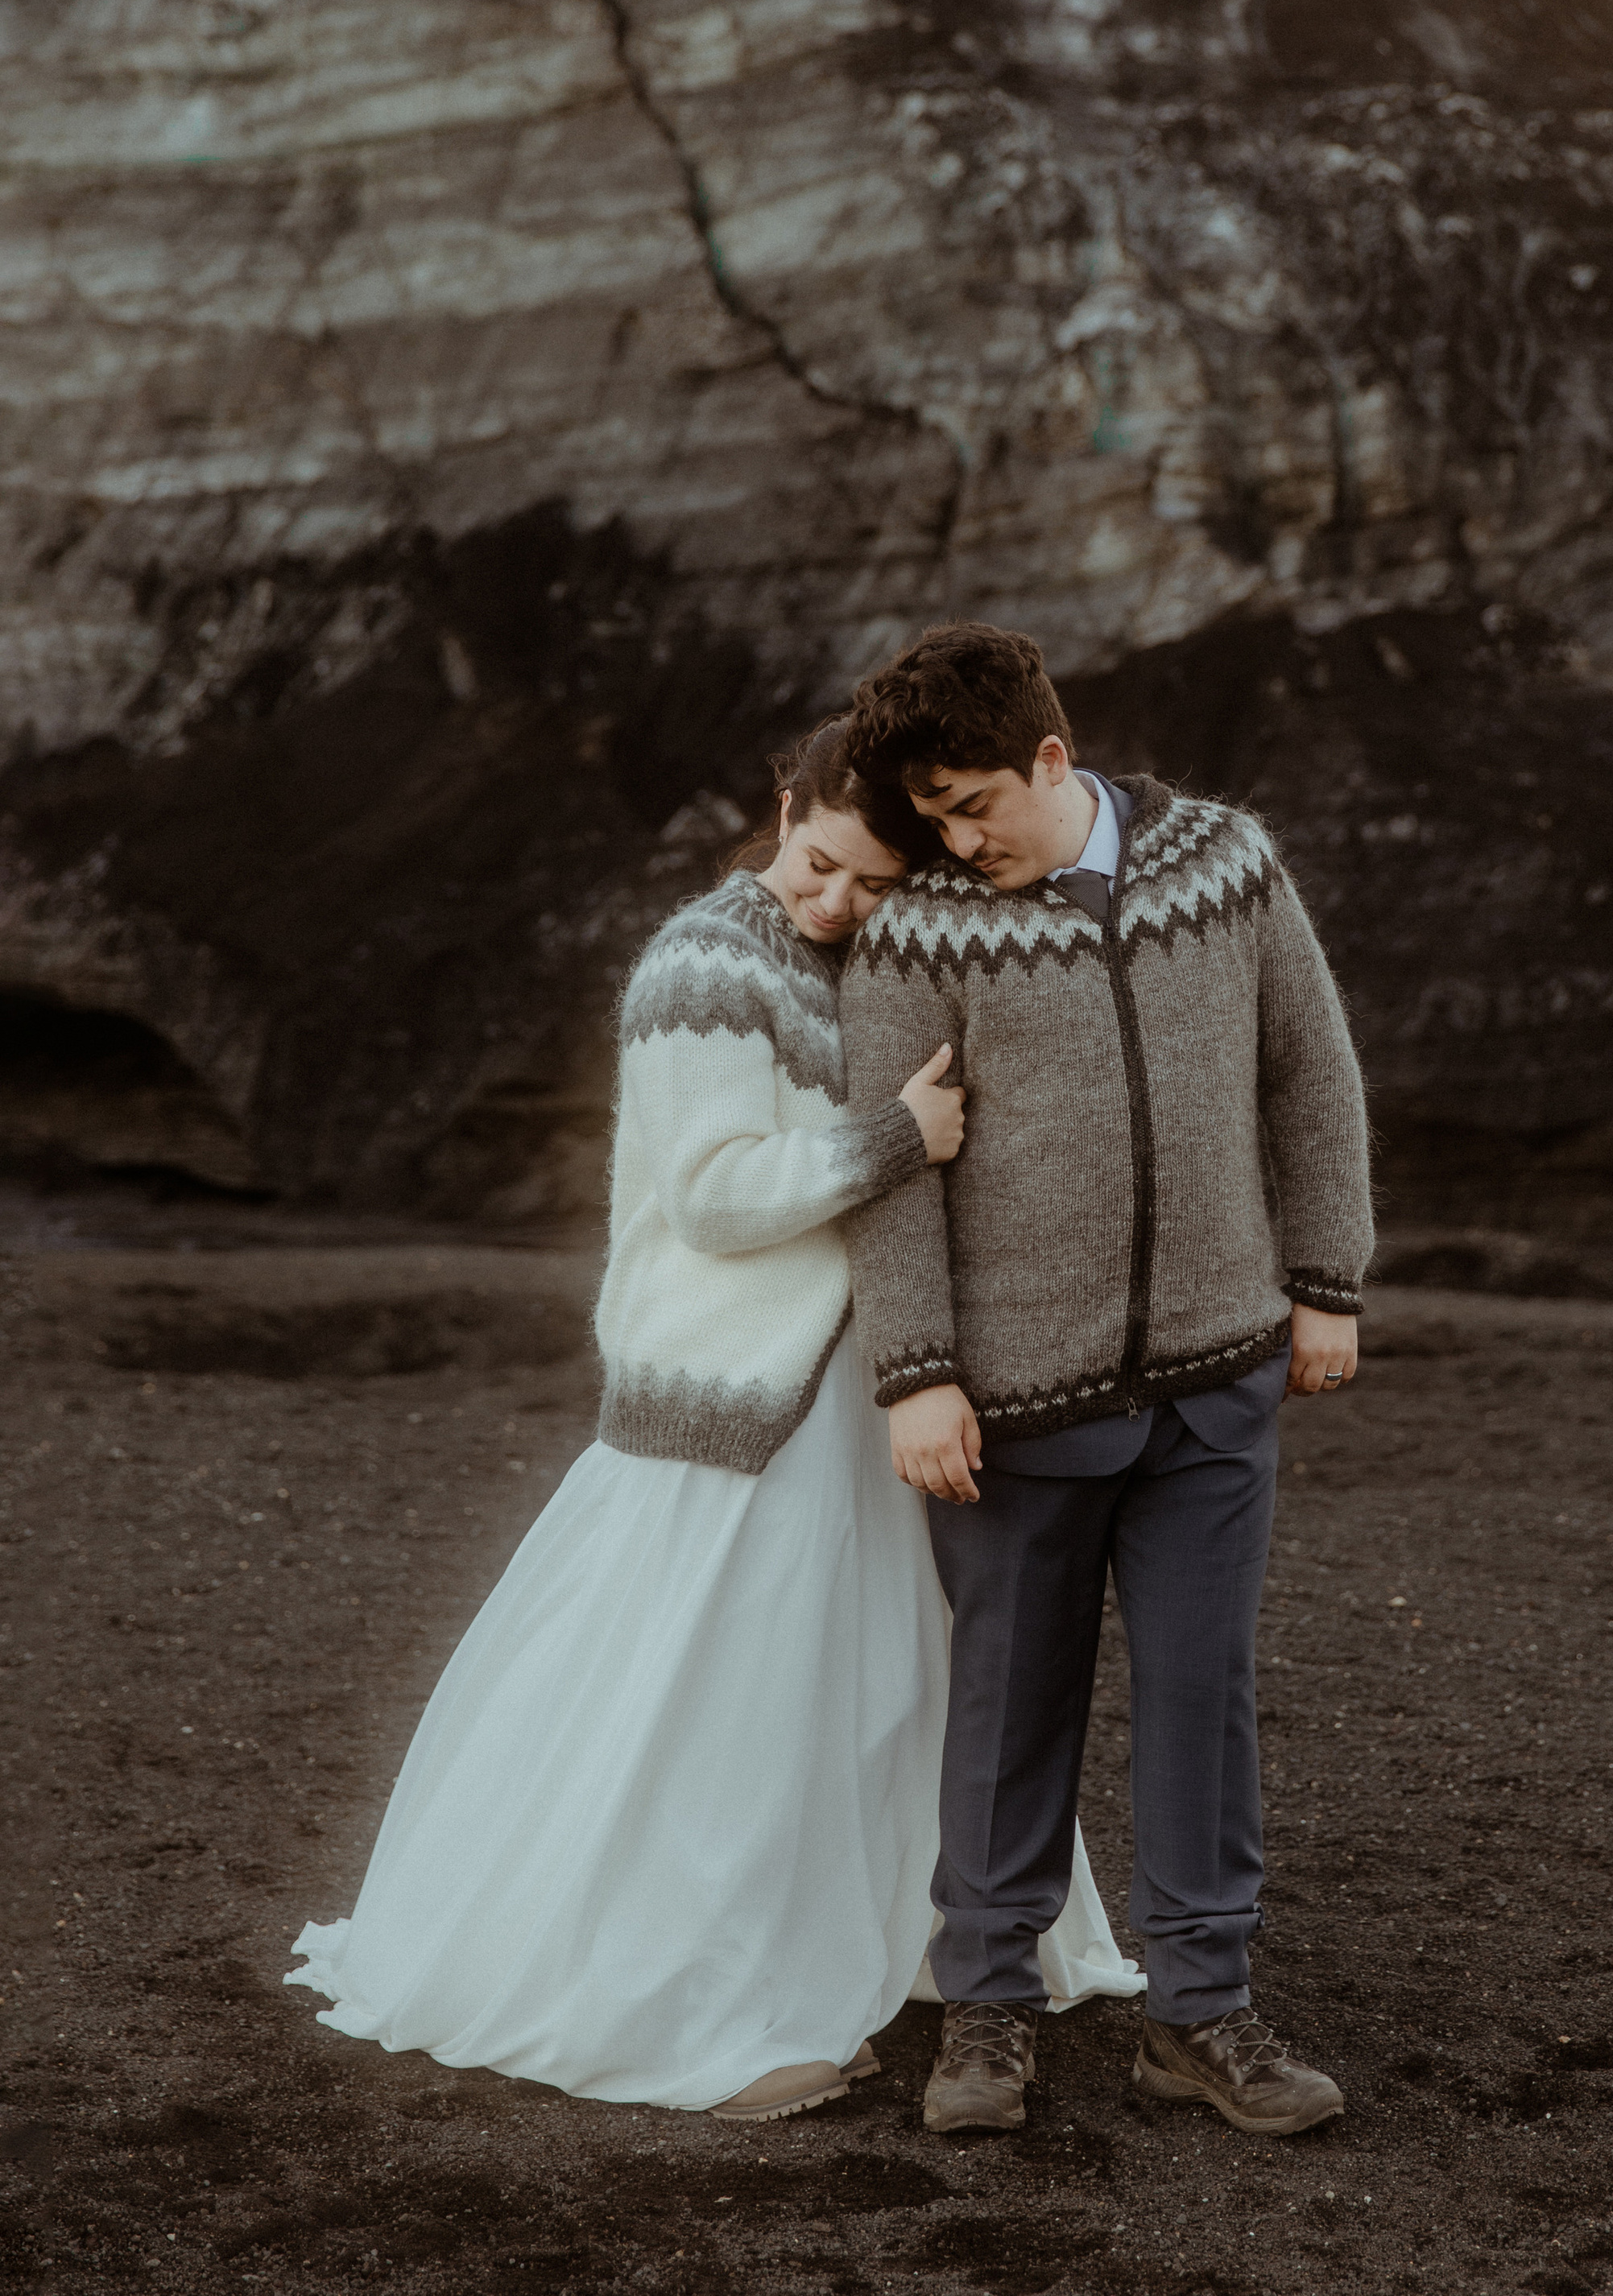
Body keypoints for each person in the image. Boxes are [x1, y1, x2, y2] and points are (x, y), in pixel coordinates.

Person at [287, 716, 1140, 2120]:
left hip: (855, 1393)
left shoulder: (874, 953)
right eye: (818, 862)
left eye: (871, 882)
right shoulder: (705, 963)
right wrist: (893, 1139)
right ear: (781, 808)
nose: (833, 901)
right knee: (724, 1705)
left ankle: (912, 1937)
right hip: (733, 1397)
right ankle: (695, 1989)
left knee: (870, 1694)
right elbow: (712, 1196)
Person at [838, 623, 1373, 2138]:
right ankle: (990, 2007)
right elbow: (894, 1175)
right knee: (1010, 1705)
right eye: (930, 813)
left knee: (1207, 1700)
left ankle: (1201, 2014)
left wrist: (1325, 1282)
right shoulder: (916, 933)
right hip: (1011, 1404)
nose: (952, 838)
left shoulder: (1229, 864)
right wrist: (919, 1374)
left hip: (1221, 1377)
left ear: (1051, 760)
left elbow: (1308, 1071)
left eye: (969, 801)